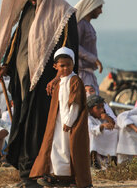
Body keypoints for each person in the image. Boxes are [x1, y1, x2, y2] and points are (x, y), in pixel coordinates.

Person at [0, 0, 79, 185]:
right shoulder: (28, 9)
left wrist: (58, 76)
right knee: (23, 124)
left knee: (41, 127)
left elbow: (68, 50)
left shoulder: (64, 12)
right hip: (22, 80)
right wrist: (6, 64)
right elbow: (17, 39)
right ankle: (25, 172)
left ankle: (38, 173)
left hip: (46, 83)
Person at [30, 47, 91, 188]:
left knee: (70, 149)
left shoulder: (74, 80)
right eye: (62, 66)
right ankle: (57, 176)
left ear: (73, 65)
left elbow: (75, 104)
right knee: (56, 148)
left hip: (70, 123)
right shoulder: (60, 82)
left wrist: (69, 121)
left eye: (68, 65)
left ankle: (73, 179)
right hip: (58, 122)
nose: (65, 68)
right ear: (55, 66)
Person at [74, 0, 104, 94]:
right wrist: (94, 59)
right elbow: (75, 46)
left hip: (88, 72)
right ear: (92, 7)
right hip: (82, 72)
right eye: (99, 8)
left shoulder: (88, 25)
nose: (101, 12)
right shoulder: (80, 24)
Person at [87, 95, 117, 169]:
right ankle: (93, 162)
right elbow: (92, 129)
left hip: (105, 142)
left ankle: (113, 160)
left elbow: (114, 124)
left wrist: (107, 118)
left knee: (116, 133)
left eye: (102, 107)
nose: (102, 110)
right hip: (92, 142)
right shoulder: (88, 119)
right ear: (90, 110)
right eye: (98, 108)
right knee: (94, 136)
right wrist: (102, 126)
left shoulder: (103, 117)